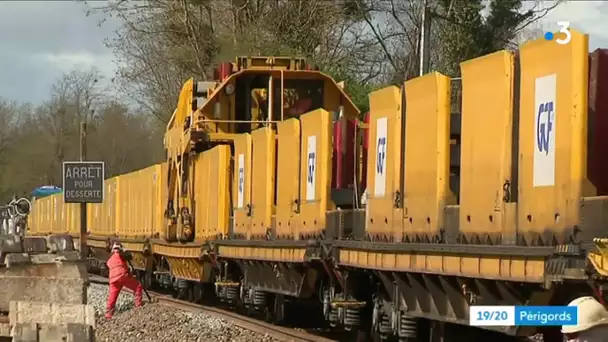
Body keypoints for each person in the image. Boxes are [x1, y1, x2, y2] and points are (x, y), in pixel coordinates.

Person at [105, 242, 143, 319]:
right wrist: (125, 250)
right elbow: (130, 256)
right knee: (137, 286)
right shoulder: (121, 254)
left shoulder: (110, 260)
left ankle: (108, 315)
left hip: (113, 279)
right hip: (122, 276)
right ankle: (138, 305)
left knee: (112, 296)